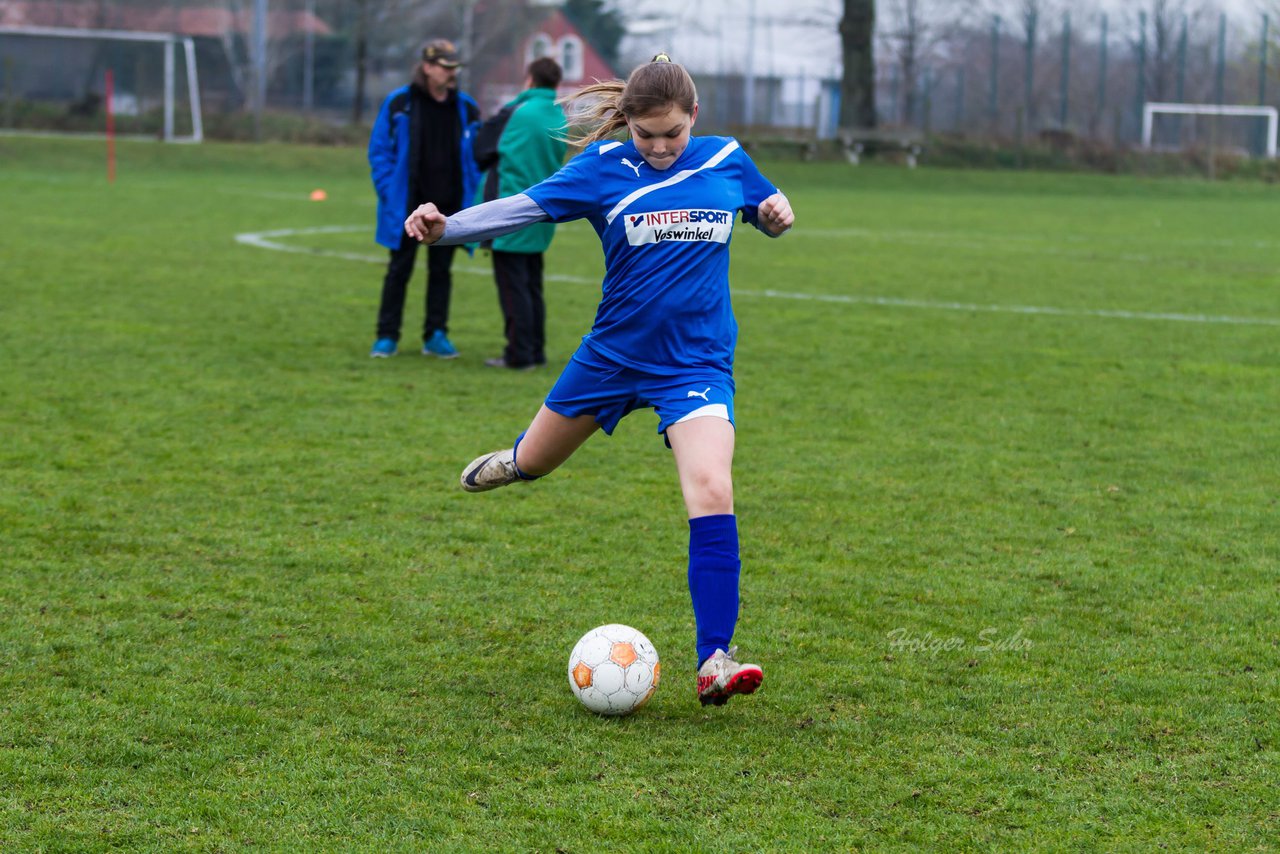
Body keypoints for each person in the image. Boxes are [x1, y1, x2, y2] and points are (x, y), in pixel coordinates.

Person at [404, 55, 794, 708]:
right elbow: (520, 210)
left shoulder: (726, 158)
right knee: (536, 461)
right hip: (610, 358)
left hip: (694, 365)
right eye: (647, 135)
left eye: (673, 132)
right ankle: (516, 459)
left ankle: (715, 659)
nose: (662, 147)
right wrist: (447, 228)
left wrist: (779, 214)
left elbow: (768, 209)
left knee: (712, 486)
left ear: (693, 116)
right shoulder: (602, 170)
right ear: (628, 127)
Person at [367, 38, 481, 359]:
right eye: (445, 67)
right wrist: (391, 193)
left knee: (441, 273)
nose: (451, 73)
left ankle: (436, 334)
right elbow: (379, 152)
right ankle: (386, 337)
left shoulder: (466, 107)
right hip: (406, 206)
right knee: (398, 271)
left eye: (454, 67)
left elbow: (476, 154)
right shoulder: (399, 103)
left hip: (448, 209)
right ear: (428, 67)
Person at [472, 57, 568, 370]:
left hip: (509, 209)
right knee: (531, 285)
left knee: (513, 288)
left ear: (529, 79)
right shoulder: (558, 114)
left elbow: (481, 148)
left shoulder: (517, 112)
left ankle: (518, 354)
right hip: (542, 210)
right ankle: (535, 350)